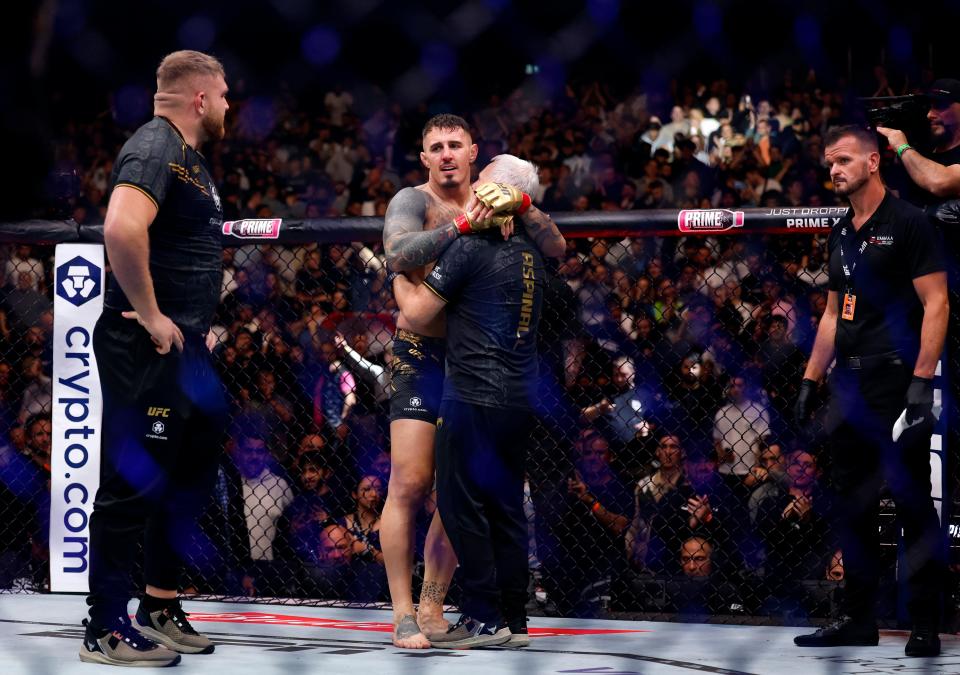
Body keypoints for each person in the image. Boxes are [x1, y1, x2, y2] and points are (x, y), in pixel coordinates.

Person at [380, 113, 564, 648]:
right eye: (434, 146)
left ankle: (435, 605)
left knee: (462, 488)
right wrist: (462, 227)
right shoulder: (413, 202)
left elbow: (557, 250)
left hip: (474, 363)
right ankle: (402, 613)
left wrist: (524, 206)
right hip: (421, 353)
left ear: (473, 152)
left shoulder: (498, 201)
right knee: (411, 482)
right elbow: (396, 254)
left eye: (454, 145)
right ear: (423, 157)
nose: (445, 154)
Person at [81, 50, 230, 667]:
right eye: (223, 96)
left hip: (182, 348)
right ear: (199, 98)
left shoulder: (185, 156)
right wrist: (149, 312)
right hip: (143, 344)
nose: (228, 107)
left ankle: (159, 603)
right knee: (133, 479)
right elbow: (121, 226)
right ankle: (105, 626)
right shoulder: (154, 146)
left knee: (192, 467)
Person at [793, 125, 948, 657]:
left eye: (842, 160)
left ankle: (926, 623)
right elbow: (835, 313)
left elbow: (937, 304)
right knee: (852, 506)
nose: (833, 170)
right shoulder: (840, 231)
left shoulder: (909, 223)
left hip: (898, 377)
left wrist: (922, 381)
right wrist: (811, 379)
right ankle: (859, 619)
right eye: (828, 162)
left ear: (874, 162)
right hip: (850, 384)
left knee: (911, 503)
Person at [875, 79, 960, 210]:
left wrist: (901, 146)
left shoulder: (909, 152)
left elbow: (940, 182)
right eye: (930, 107)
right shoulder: (922, 152)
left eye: (940, 106)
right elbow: (898, 202)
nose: (930, 114)